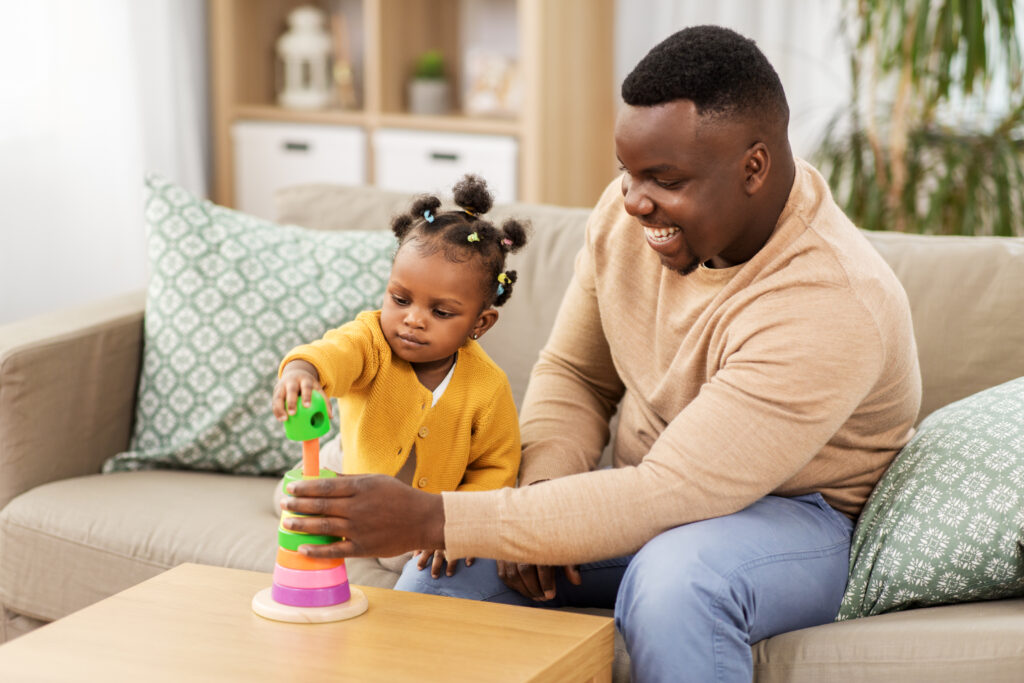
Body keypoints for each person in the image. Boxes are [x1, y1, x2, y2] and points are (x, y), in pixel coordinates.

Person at [279, 26, 921, 682]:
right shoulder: (628, 220)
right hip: (646, 487)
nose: (635, 202)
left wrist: (433, 513)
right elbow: (577, 373)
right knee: (444, 571)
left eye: (664, 179)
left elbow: (671, 490)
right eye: (627, 172)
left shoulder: (831, 299)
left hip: (795, 515)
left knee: (676, 583)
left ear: (752, 167)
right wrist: (545, 496)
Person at [272, 173, 529, 579]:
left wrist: (457, 528)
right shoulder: (372, 339)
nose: (412, 319)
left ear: (481, 323)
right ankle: (302, 479)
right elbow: (337, 352)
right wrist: (304, 370)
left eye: (440, 312)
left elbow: (496, 470)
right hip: (352, 463)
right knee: (303, 498)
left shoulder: (488, 386)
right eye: (400, 299)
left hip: (416, 513)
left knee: (405, 561)